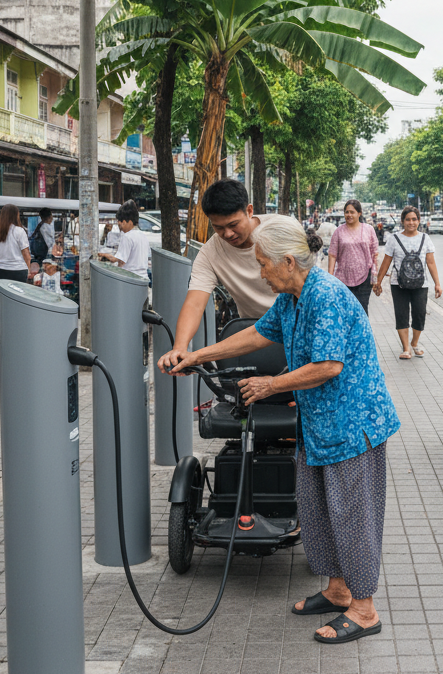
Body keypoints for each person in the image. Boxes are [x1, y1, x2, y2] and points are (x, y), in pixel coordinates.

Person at [168, 216, 399, 644]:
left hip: (352, 424)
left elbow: (329, 366)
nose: (259, 273)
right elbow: (257, 335)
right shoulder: (292, 298)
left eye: (262, 265)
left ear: (288, 262)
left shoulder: (325, 296)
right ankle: (338, 589)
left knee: (351, 515)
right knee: (316, 509)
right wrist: (196, 356)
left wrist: (272, 384)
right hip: (318, 424)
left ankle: (364, 609)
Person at [157, 180, 287, 372]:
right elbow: (194, 303)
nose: (227, 234)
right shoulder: (211, 253)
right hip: (253, 333)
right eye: (218, 227)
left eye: (233, 224)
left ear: (249, 211)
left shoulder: (282, 230)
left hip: (296, 327)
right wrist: (179, 348)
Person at [372, 206, 442, 359]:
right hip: (399, 284)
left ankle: (415, 342)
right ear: (402, 221)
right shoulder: (394, 239)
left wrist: (437, 283)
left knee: (419, 315)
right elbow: (386, 262)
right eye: (408, 219)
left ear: (419, 221)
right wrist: (378, 282)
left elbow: (430, 262)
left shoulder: (425, 239)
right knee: (402, 315)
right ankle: (406, 348)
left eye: (414, 219)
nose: (411, 222)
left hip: (420, 284)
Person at [327, 199, 377, 313]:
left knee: (362, 311)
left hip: (365, 278)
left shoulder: (368, 230)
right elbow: (332, 254)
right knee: (344, 311)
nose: (349, 215)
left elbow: (374, 253)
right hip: (343, 278)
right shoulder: (338, 231)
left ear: (359, 213)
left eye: (352, 212)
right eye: (347, 212)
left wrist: (375, 275)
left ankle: (362, 331)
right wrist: (330, 277)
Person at [97, 200, 149, 279]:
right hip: (143, 278)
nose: (120, 228)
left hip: (130, 278)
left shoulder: (127, 237)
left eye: (120, 224)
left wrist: (101, 254)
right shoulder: (143, 235)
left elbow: (119, 260)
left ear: (126, 222)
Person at [0, 204, 31, 292]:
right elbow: (26, 254)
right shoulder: (19, 231)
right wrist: (28, 270)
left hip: (1, 270)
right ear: (15, 215)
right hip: (18, 270)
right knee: (18, 299)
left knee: (3, 299)